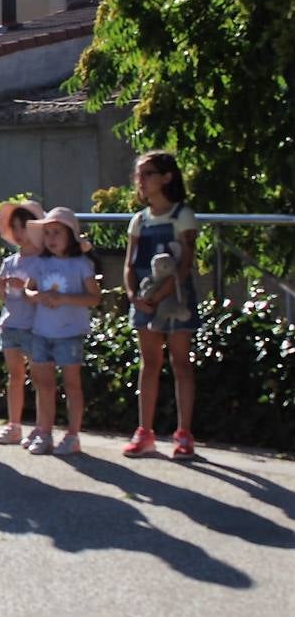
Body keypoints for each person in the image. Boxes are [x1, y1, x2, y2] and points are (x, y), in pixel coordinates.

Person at [122, 151, 201, 458]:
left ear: (166, 177)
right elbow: (130, 263)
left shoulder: (183, 215)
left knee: (180, 362)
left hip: (175, 299)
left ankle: (183, 433)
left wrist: (160, 294)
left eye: (147, 174)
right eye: (138, 175)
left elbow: (184, 263)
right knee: (149, 363)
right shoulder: (138, 220)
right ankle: (144, 430)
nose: (140, 181)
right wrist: (133, 295)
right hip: (143, 297)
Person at [23, 207, 101, 455]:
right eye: (47, 233)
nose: (51, 238)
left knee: (72, 385)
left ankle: (72, 434)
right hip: (42, 332)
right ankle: (44, 432)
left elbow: (94, 298)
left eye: (56, 232)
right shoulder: (41, 263)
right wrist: (36, 297)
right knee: (43, 384)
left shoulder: (82, 264)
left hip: (70, 334)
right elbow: (28, 290)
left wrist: (64, 299)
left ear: (70, 235)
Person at [0, 201, 46, 445]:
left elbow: (43, 296)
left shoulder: (44, 262)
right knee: (14, 375)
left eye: (22, 226)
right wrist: (1, 287)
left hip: (35, 325)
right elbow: (3, 298)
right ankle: (14, 425)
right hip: (11, 323)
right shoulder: (10, 262)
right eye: (14, 227)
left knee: (39, 378)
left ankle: (40, 427)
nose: (18, 232)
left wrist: (23, 288)